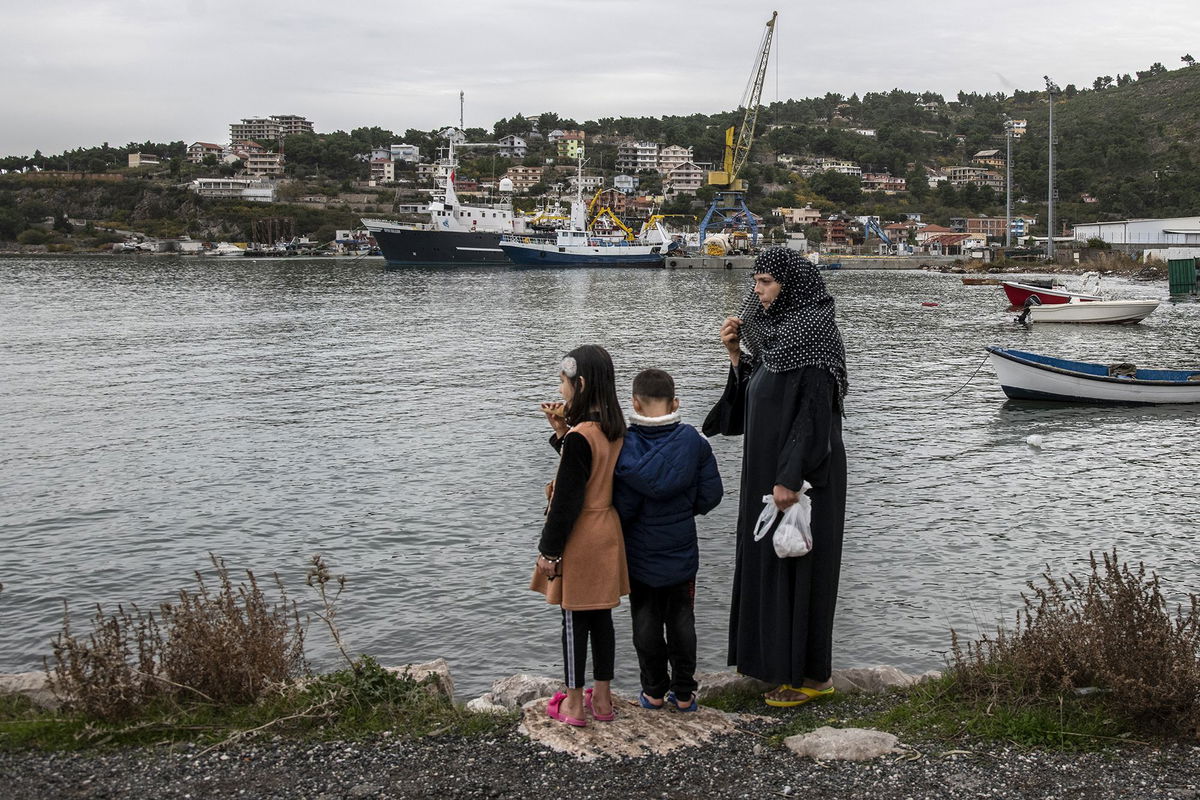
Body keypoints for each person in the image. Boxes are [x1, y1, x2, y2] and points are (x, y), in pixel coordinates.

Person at [703, 247, 848, 708]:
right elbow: (759, 396)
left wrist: (789, 478)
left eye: (765, 282)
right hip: (771, 475)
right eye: (756, 281)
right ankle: (774, 665)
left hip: (803, 480)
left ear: (792, 284)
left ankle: (809, 677)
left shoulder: (815, 333)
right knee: (774, 564)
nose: (757, 290)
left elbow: (813, 412)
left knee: (801, 568)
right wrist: (735, 354)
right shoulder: (779, 337)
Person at [530, 344, 630, 726]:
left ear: (581, 383)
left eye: (563, 380)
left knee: (573, 621)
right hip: (608, 530)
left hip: (581, 535)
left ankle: (573, 705)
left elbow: (569, 499)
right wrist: (561, 433)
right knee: (602, 618)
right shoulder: (612, 428)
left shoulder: (579, 437)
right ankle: (602, 701)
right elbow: (593, 471)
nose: (561, 388)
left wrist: (549, 552)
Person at [613, 368, 723, 712]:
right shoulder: (693, 442)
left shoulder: (624, 445)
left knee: (645, 622)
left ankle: (654, 693)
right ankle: (686, 694)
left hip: (639, 555)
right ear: (676, 402)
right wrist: (682, 507)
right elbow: (712, 496)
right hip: (681, 551)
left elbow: (620, 507)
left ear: (635, 403)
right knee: (682, 620)